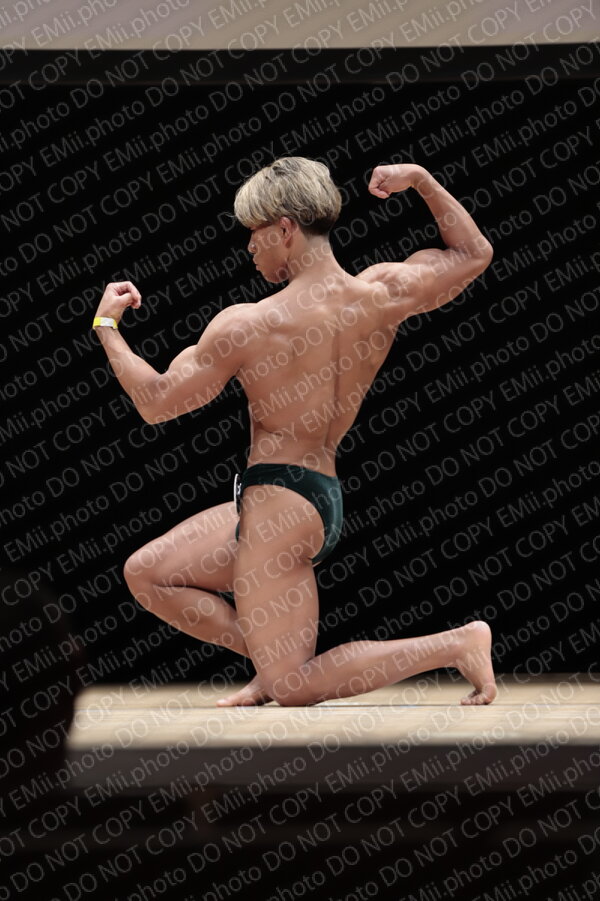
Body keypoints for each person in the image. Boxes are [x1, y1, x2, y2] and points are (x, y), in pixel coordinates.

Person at [93, 158, 496, 708]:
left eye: (254, 233)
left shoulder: (249, 324)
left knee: (293, 686)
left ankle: (456, 644)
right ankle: (270, 655)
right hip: (311, 496)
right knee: (148, 574)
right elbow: (472, 253)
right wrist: (422, 180)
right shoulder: (382, 292)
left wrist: (107, 328)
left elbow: (158, 402)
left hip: (278, 504)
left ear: (285, 228)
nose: (249, 247)